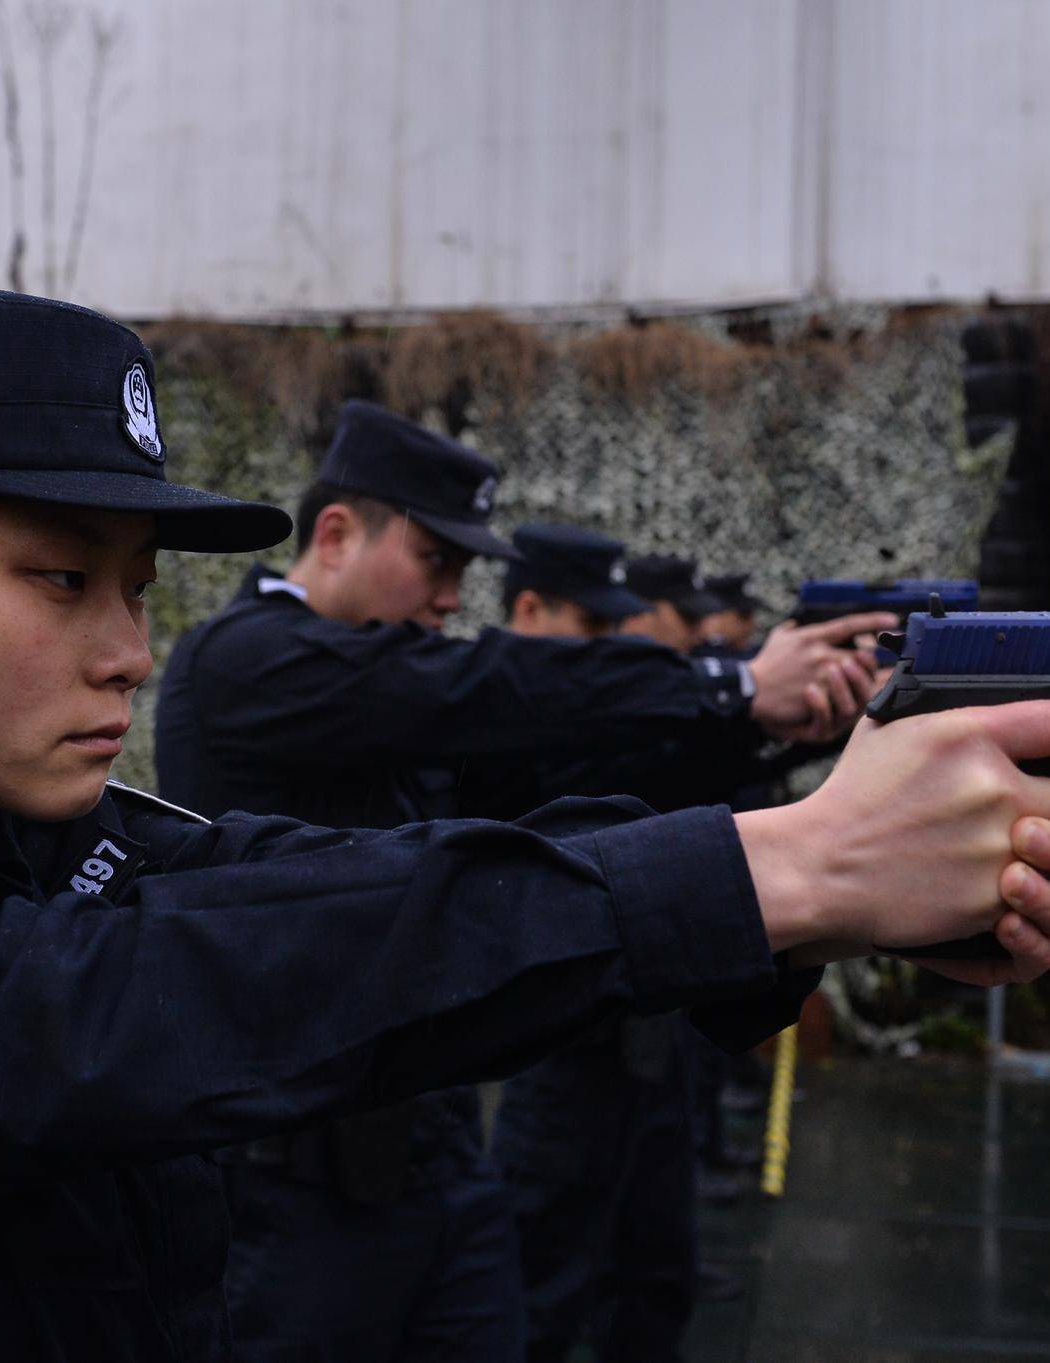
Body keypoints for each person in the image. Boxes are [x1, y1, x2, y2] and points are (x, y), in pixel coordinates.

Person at [0, 275, 1050, 1363]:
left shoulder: (42, 845)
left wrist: (819, 886)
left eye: (137, 587)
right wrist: (787, 860)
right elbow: (106, 999)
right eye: (58, 578)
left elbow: (352, 888)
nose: (128, 648)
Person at [155, 408, 898, 1360]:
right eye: (436, 561)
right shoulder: (246, 657)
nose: (451, 597)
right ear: (336, 534)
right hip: (287, 1174)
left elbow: (566, 781)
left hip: (430, 1145)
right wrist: (733, 684)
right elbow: (478, 685)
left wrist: (766, 727)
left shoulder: (379, 690)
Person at [486, 524, 716, 1362]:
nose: (610, 647)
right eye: (591, 628)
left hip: (639, 1025)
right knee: (541, 1282)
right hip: (562, 1040)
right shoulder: (499, 727)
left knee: (653, 1260)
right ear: (528, 611)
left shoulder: (588, 710)